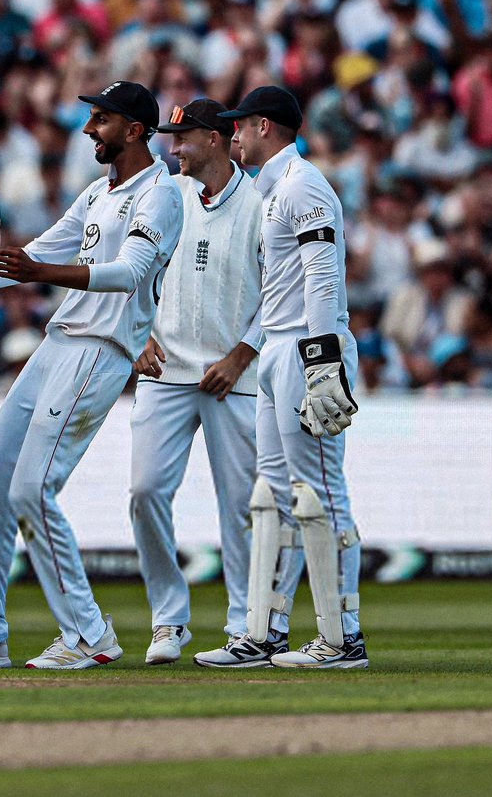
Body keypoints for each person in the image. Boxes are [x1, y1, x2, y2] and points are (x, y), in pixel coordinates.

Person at [0, 81, 184, 669]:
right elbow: (30, 254)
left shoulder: (160, 194)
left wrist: (38, 270)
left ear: (135, 129)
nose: (88, 129)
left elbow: (130, 272)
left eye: (100, 119)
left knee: (31, 489)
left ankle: (89, 634)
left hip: (101, 349)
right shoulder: (100, 192)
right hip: (57, 343)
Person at [217, 86, 366, 668]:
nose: (233, 136)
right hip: (279, 347)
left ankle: (343, 635)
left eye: (239, 126)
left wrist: (322, 357)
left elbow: (323, 273)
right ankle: (267, 630)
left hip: (307, 346)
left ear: (263, 127)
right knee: (278, 495)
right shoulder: (270, 188)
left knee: (321, 492)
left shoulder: (303, 184)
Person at [126, 99, 263, 666]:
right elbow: (128, 267)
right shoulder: (168, 197)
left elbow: (282, 291)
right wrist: (135, 337)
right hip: (165, 370)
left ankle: (246, 625)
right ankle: (168, 620)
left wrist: (240, 355)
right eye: (171, 137)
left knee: (241, 506)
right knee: (145, 492)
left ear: (217, 139)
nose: (172, 147)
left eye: (183, 138)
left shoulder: (258, 205)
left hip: (236, 378)